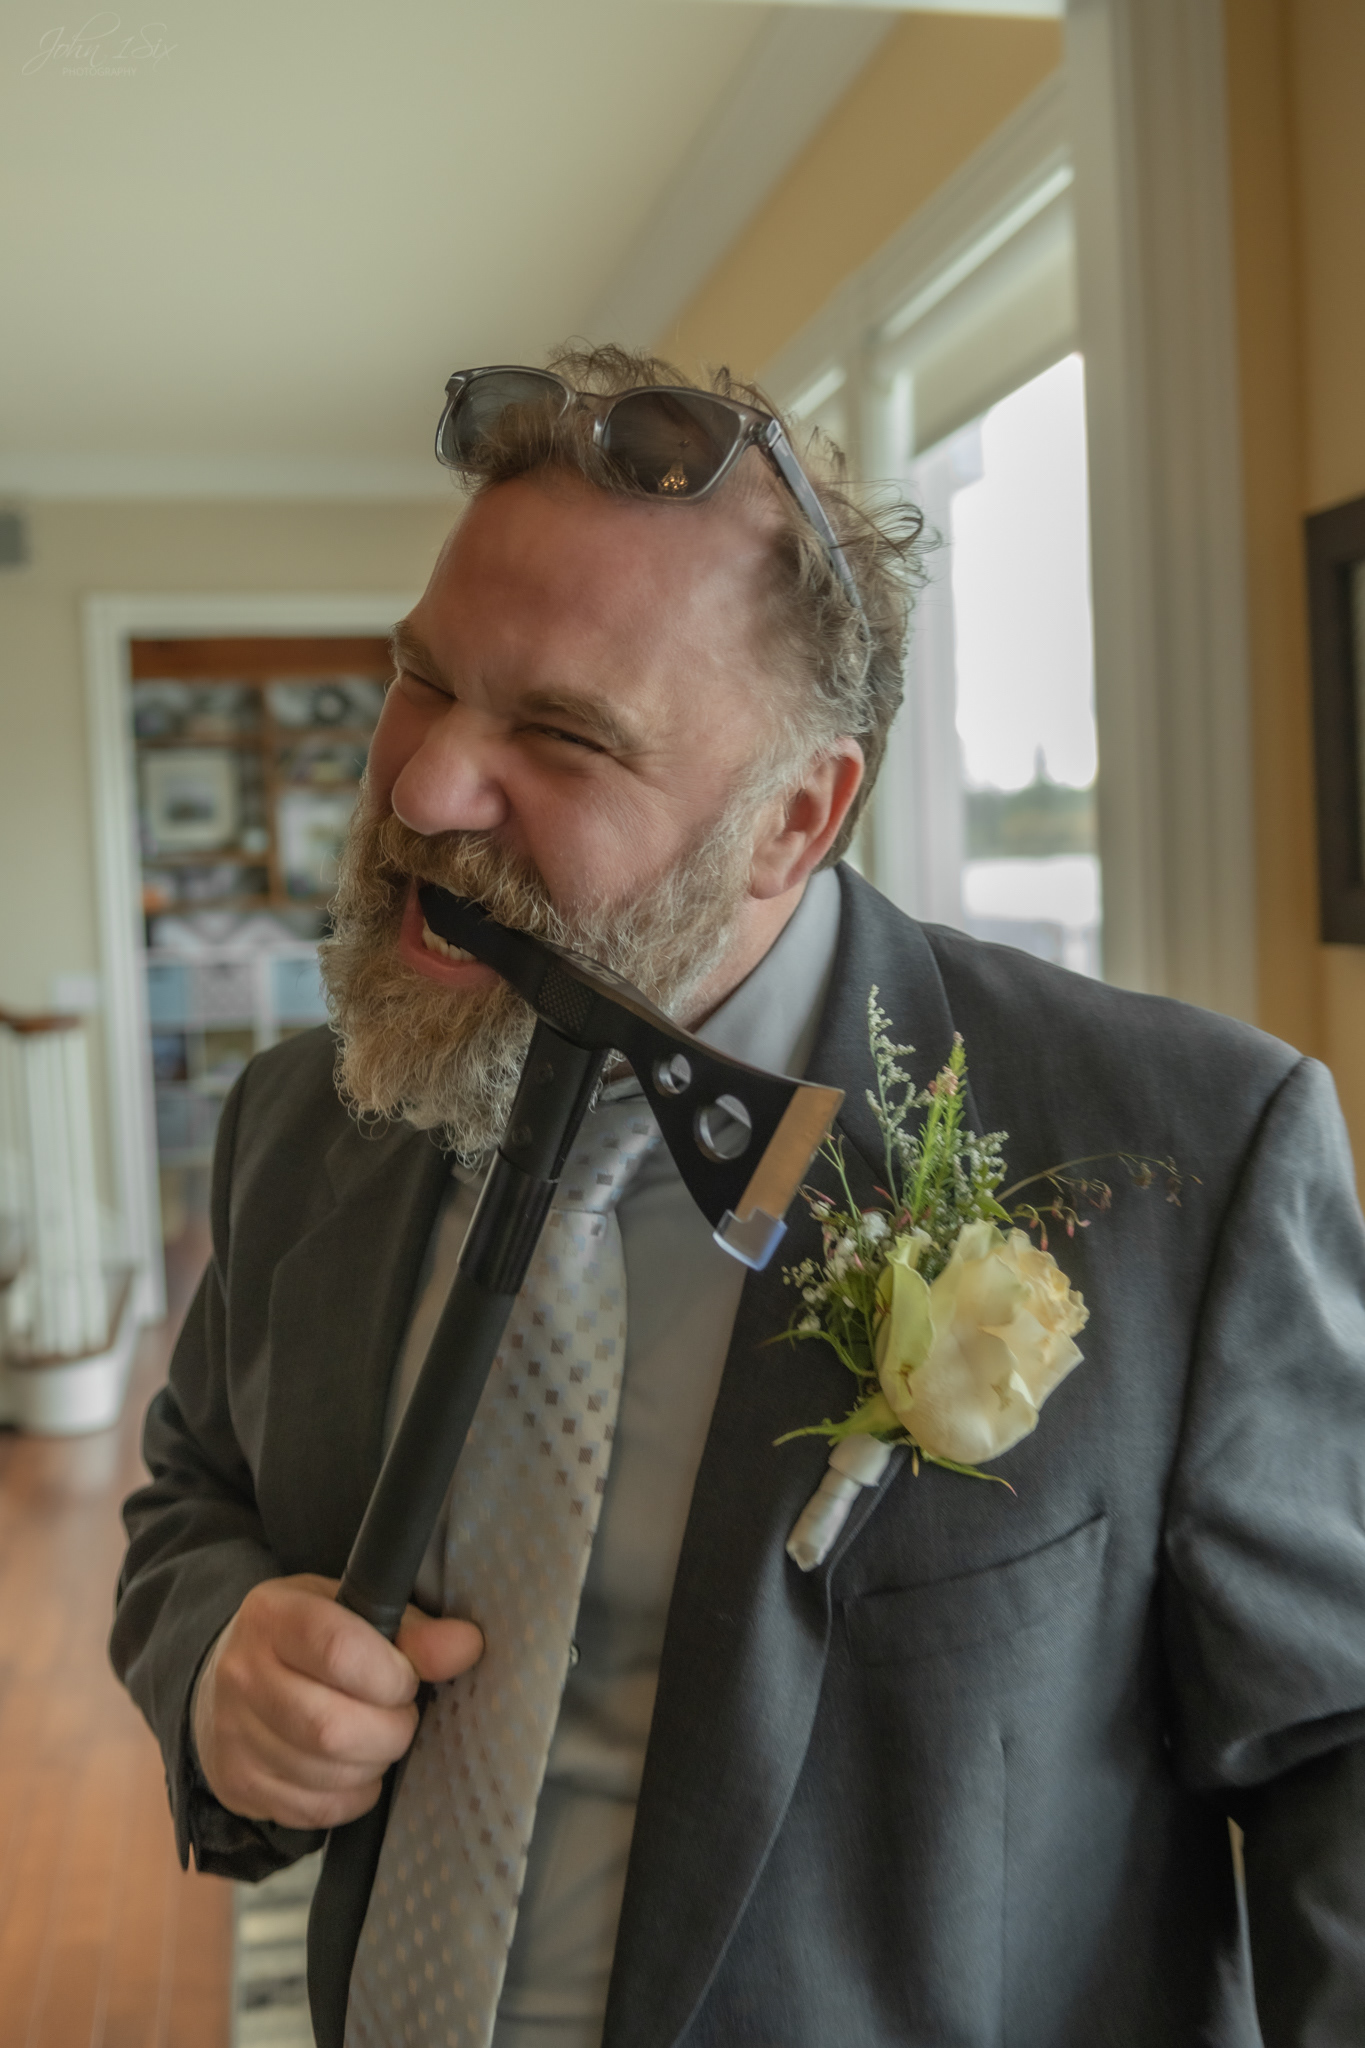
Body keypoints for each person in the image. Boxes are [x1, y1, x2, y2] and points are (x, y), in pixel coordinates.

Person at [112, 346, 1365, 2048]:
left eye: (560, 732)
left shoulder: (1188, 1153)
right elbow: (193, 1490)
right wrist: (219, 1657)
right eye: (422, 679)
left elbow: (1332, 1756)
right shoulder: (303, 1115)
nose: (417, 790)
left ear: (794, 818)